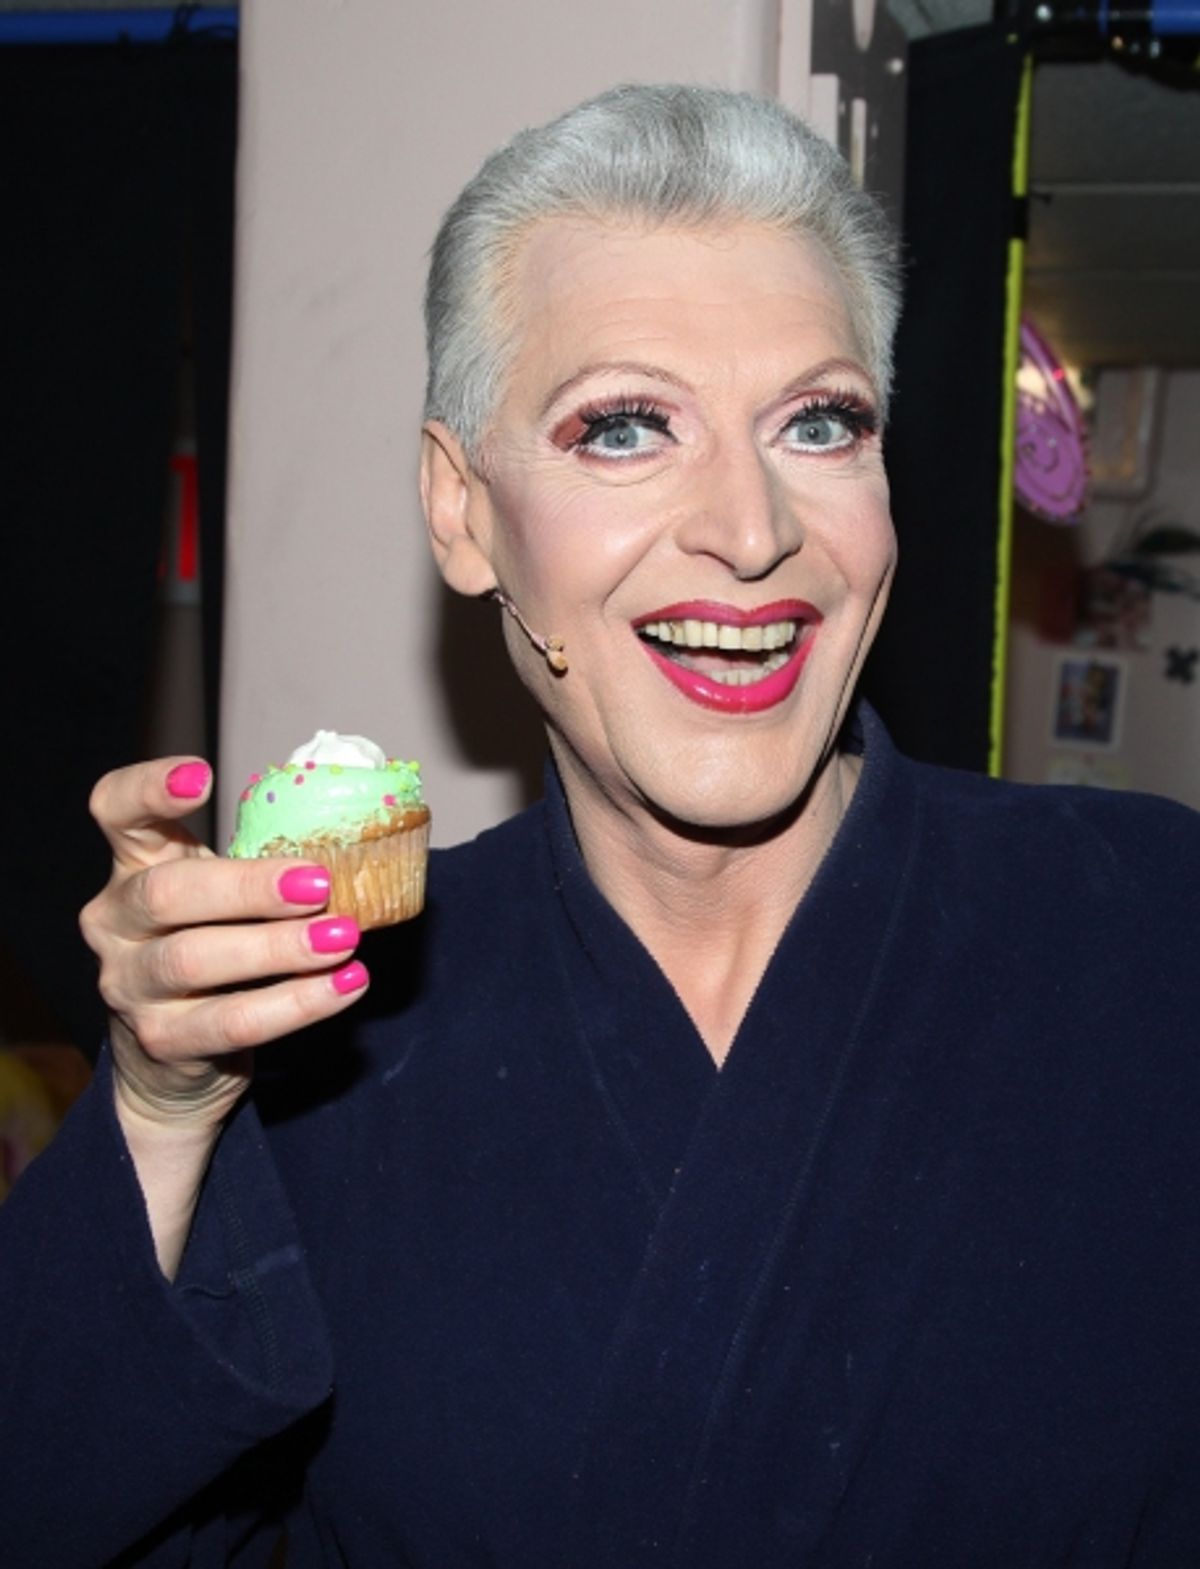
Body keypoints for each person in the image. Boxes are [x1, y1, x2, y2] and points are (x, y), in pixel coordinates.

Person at [2, 83, 1199, 1569]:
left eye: (819, 423)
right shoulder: (317, 1028)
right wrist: (161, 1113)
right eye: (625, 427)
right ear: (462, 510)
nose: (752, 531)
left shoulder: (1152, 929)